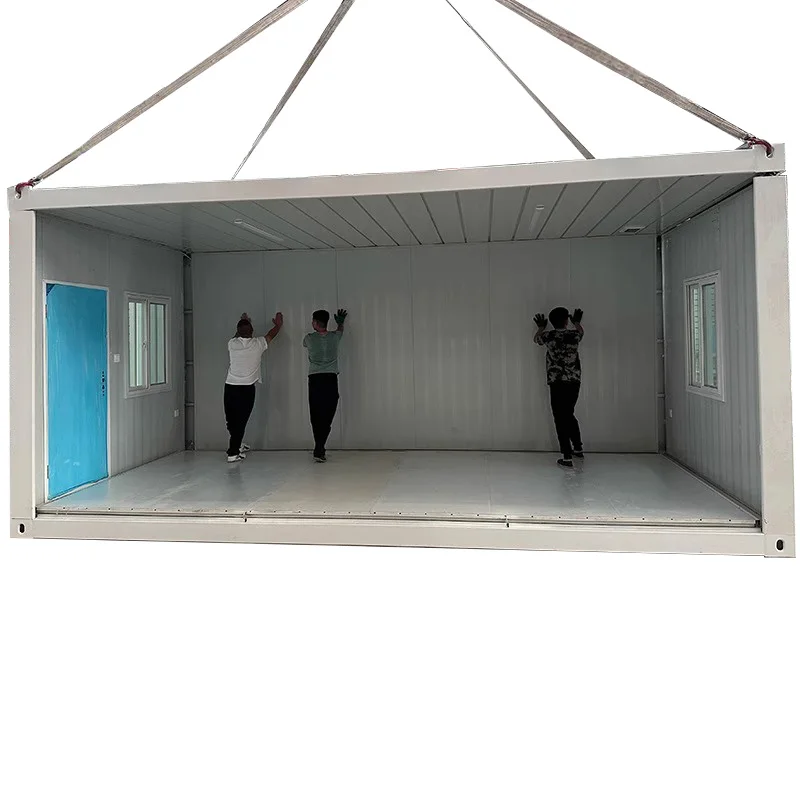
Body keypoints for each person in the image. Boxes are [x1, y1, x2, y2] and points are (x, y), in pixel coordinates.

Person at [224, 311, 283, 463]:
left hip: (230, 386)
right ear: (252, 331)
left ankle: (237, 445)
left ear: (238, 332)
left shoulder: (232, 344)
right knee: (241, 420)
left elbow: (238, 335)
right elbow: (271, 335)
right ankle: (233, 453)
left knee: (231, 420)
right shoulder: (258, 344)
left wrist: (243, 323)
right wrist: (278, 325)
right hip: (247, 388)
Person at [534, 307, 584, 469]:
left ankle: (567, 456)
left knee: (560, 417)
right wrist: (577, 322)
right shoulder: (574, 335)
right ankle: (578, 448)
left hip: (556, 382)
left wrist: (541, 327)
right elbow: (581, 332)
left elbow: (536, 339)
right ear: (566, 321)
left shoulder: (548, 336)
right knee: (569, 414)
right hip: (574, 380)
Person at [303, 308, 347, 463]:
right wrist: (340, 323)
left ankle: (319, 447)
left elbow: (304, 344)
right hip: (330, 379)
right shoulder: (335, 337)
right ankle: (319, 447)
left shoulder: (309, 338)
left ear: (315, 322)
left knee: (315, 414)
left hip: (315, 379)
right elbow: (340, 331)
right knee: (328, 413)